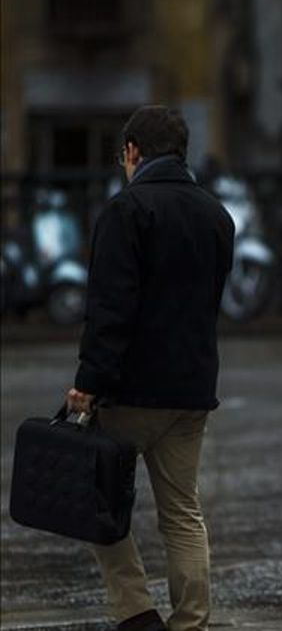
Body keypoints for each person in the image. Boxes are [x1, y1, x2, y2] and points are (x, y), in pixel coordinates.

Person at [65, 106, 235, 631]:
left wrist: (88, 384)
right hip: (190, 392)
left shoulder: (126, 211)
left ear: (133, 151)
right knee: (182, 513)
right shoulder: (216, 216)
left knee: (96, 504)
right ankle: (190, 620)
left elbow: (110, 312)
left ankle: (136, 613)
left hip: (130, 392)